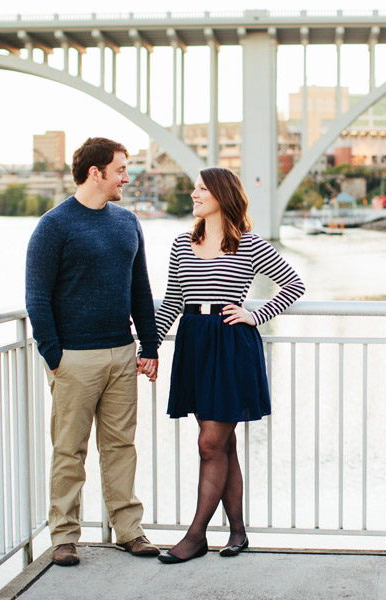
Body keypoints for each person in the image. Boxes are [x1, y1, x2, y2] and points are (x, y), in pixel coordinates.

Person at [151, 167, 305, 564]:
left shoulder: (249, 244)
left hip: (231, 347)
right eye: (195, 188)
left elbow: (294, 285)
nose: (193, 194)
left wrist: (257, 314)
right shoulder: (182, 244)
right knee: (223, 444)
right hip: (195, 345)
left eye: (202, 189)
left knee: (209, 444)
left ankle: (196, 535)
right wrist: (147, 345)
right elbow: (171, 302)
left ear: (222, 194)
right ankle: (238, 532)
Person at [25, 137, 161, 567]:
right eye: (121, 169)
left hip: (122, 354)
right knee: (70, 450)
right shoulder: (54, 225)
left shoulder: (127, 222)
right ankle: (64, 536)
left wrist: (150, 344)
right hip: (74, 359)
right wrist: (54, 355)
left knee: (122, 446)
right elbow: (36, 297)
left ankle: (128, 531)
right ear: (95, 173)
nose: (127, 177)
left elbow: (141, 290)